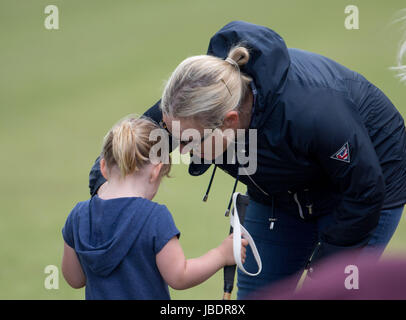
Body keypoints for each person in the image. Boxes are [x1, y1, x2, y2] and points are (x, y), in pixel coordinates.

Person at [89, 21, 406, 299]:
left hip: (365, 184)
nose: (178, 151)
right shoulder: (190, 105)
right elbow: (122, 159)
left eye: (187, 143)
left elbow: (364, 190)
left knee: (327, 292)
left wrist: (325, 267)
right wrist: (106, 204)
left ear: (228, 121)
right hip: (279, 194)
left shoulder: (314, 113)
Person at [62, 116, 248, 299]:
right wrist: (221, 255)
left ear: (103, 167)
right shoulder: (154, 217)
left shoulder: (78, 215)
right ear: (156, 171)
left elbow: (75, 279)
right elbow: (179, 276)